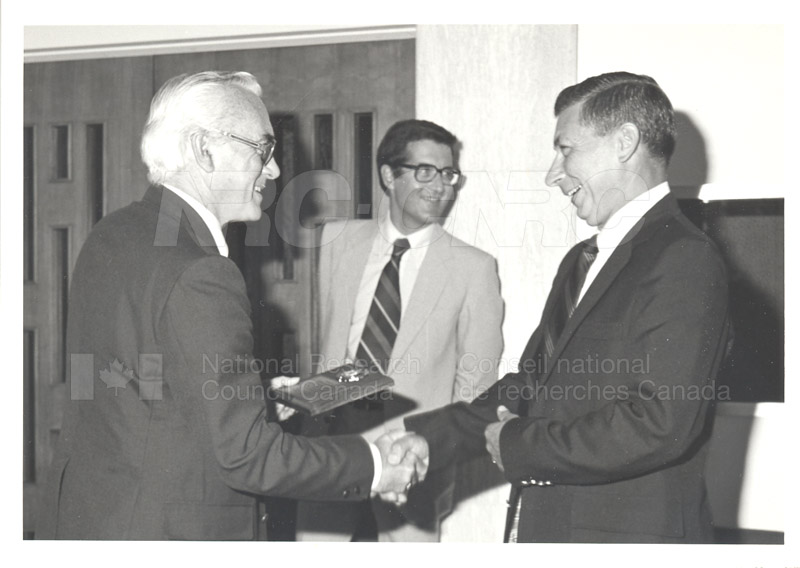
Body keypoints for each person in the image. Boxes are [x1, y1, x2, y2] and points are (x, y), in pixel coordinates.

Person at [36, 71, 427, 540]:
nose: (275, 170)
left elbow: (132, 387)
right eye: (263, 149)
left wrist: (251, 398)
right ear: (205, 149)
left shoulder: (112, 234)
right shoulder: (202, 271)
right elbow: (247, 456)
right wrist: (376, 465)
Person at [402, 72, 731, 543]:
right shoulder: (582, 259)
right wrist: (429, 438)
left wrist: (518, 444)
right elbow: (532, 383)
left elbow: (659, 423)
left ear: (624, 142)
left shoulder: (685, 258)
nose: (552, 174)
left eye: (566, 149)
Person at [293, 119, 504, 542]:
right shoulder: (337, 241)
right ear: (389, 175)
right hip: (334, 440)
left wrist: (436, 449)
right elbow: (326, 343)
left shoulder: (473, 268)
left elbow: (476, 382)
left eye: (448, 174)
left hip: (413, 450)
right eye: (425, 171)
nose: (440, 186)